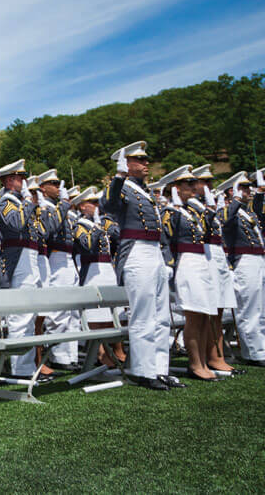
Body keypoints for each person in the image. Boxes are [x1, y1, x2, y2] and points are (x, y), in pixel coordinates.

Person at [101, 141, 179, 390]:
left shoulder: (146, 192)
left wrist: (166, 258)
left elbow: (160, 229)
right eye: (140, 160)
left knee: (161, 315)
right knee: (143, 314)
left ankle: (160, 369)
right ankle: (144, 371)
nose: (146, 164)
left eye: (146, 160)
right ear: (128, 163)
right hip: (135, 251)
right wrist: (119, 177)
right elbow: (109, 206)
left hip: (154, 252)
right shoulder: (121, 188)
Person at [160, 165, 217, 380]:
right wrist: (169, 264)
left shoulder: (193, 210)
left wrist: (207, 207)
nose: (194, 187)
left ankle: (203, 361)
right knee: (194, 315)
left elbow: (209, 229)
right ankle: (195, 364)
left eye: (195, 183)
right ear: (176, 187)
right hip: (186, 263)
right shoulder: (170, 211)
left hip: (201, 261)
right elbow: (166, 239)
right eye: (189, 184)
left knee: (204, 315)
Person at [0, 159, 47, 380]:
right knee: (21, 316)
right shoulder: (6, 202)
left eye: (23, 178)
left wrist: (35, 206)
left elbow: (43, 233)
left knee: (30, 313)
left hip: (31, 256)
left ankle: (27, 367)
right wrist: (27, 202)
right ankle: (20, 369)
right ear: (8, 180)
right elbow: (16, 223)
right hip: (18, 259)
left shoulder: (21, 202)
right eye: (19, 178)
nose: (23, 182)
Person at [191, 165, 240, 375]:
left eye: (211, 182)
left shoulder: (207, 204)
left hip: (217, 253)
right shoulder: (192, 206)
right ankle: (209, 357)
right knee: (210, 309)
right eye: (205, 182)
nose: (210, 186)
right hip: (205, 253)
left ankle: (217, 354)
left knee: (220, 308)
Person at [72, 187, 126, 366]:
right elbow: (87, 244)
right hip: (92, 271)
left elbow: (119, 239)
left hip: (107, 270)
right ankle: (100, 353)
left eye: (97, 203)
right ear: (82, 207)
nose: (97, 206)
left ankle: (113, 350)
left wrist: (108, 222)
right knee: (96, 315)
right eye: (92, 203)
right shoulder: (80, 225)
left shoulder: (103, 222)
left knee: (111, 315)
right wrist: (96, 226)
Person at [218, 171, 265, 366]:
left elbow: (261, 212)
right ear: (232, 191)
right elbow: (225, 221)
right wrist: (236, 198)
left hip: (259, 258)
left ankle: (261, 347)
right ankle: (253, 352)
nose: (248, 191)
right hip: (244, 260)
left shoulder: (249, 211)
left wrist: (261, 193)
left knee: (261, 308)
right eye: (244, 188)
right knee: (249, 308)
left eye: (248, 188)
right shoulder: (228, 210)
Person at [37, 170, 78, 370]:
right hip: (55, 256)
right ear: (43, 188)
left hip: (68, 257)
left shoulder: (56, 207)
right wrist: (63, 205)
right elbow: (50, 229)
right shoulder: (45, 207)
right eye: (52, 183)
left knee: (71, 310)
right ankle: (58, 355)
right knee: (58, 311)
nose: (57, 186)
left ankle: (70, 355)